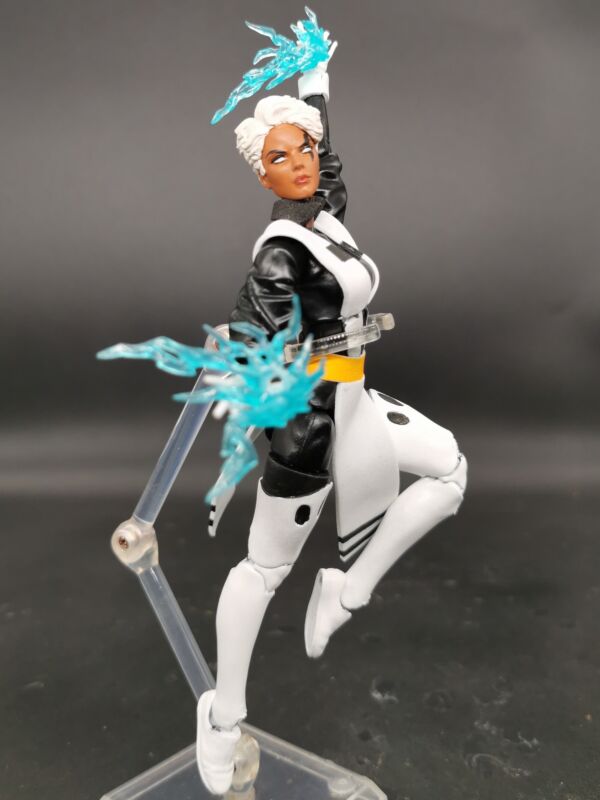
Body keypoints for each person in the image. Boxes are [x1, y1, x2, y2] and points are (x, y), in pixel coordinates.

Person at [196, 60, 467, 795]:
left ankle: (346, 592)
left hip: (358, 404)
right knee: (262, 572)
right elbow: (250, 334)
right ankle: (221, 716)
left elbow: (331, 158)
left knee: (448, 470)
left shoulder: (326, 212)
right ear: (262, 174)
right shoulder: (280, 252)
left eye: (305, 149)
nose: (302, 164)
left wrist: (315, 84)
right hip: (308, 431)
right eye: (280, 157)